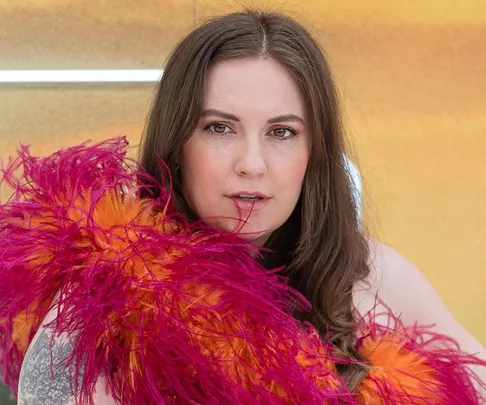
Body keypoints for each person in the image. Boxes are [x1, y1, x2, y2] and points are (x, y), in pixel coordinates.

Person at [1, 9, 485, 405]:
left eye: (282, 132)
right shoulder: (98, 305)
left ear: (313, 153)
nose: (251, 164)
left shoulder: (371, 277)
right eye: (219, 127)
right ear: (177, 144)